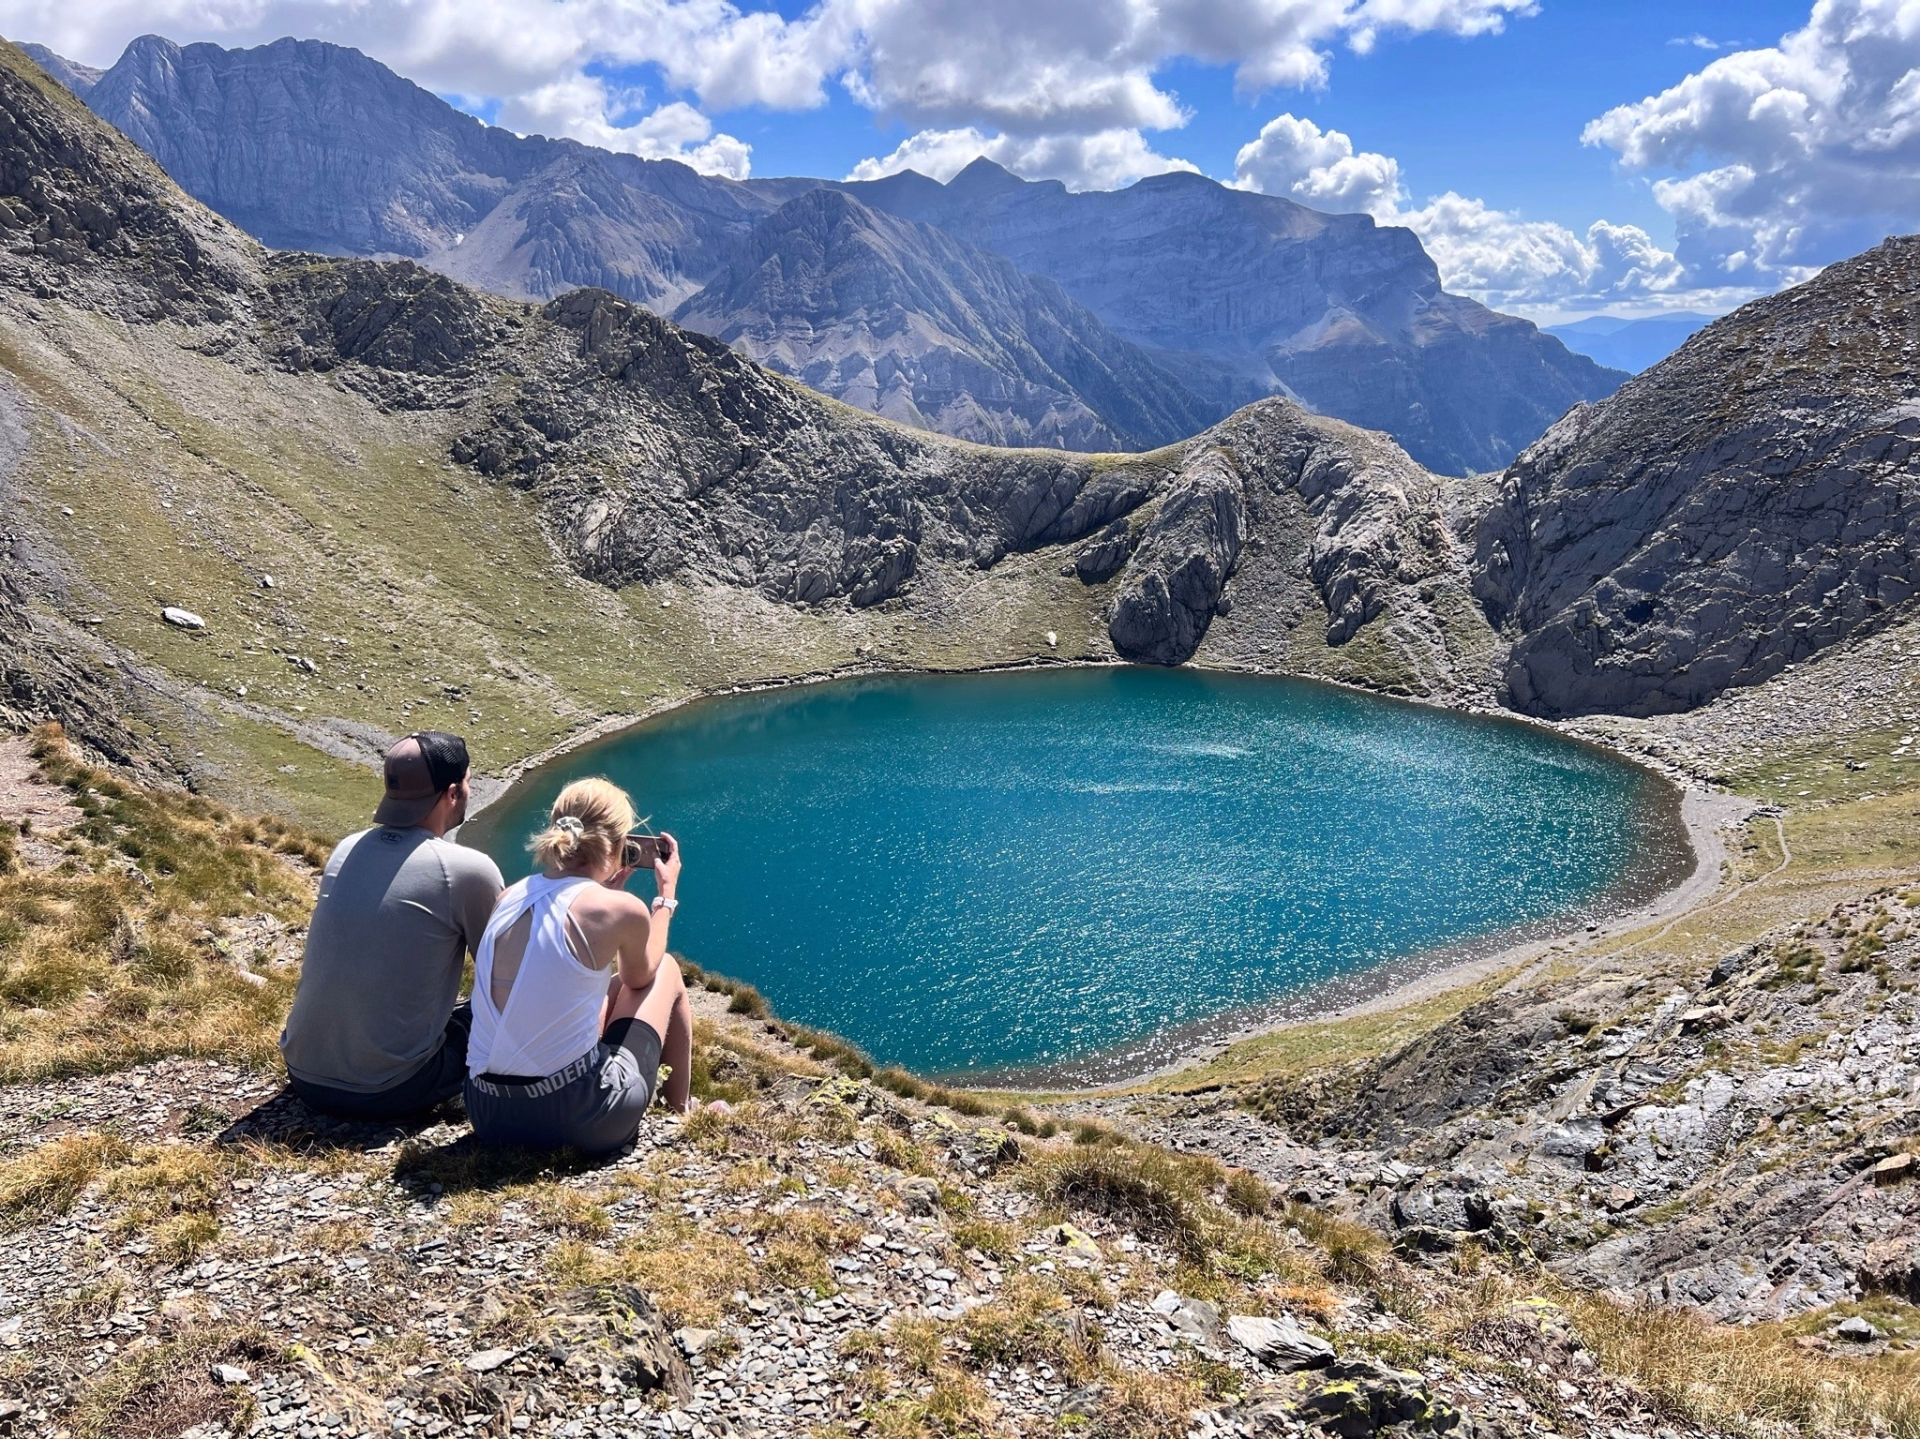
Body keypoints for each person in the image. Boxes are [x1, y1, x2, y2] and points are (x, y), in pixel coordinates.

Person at [279, 732, 505, 1119]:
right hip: (392, 1087)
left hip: (304, 1074)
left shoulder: (346, 848)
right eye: (468, 782)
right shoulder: (467, 869)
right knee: (494, 1013)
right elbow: (506, 974)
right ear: (452, 793)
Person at [465, 777, 694, 1152]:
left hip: (487, 1111)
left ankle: (677, 1105)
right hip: (575, 1117)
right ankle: (681, 1108)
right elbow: (641, 977)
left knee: (610, 986)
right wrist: (665, 899)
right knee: (664, 969)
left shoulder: (509, 896)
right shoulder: (619, 910)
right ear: (620, 844)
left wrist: (604, 892)